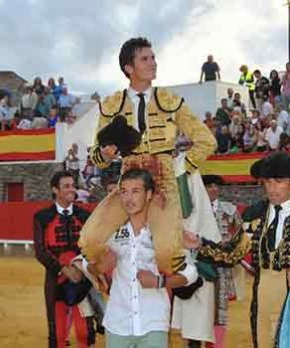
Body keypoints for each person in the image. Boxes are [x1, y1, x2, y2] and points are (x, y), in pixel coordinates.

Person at [80, 37, 217, 274]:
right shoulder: (112, 104)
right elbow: (96, 157)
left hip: (163, 182)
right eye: (145, 59)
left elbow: (207, 141)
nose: (153, 63)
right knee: (90, 242)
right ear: (129, 68)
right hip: (128, 181)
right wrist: (104, 153)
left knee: (167, 257)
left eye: (153, 57)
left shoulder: (170, 100)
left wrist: (181, 168)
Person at [196, 152, 290, 348]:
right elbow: (231, 254)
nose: (272, 188)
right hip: (262, 306)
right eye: (267, 182)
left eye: (278, 181)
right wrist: (198, 245)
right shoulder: (255, 216)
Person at [81, 168, 199, 348]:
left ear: (149, 194)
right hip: (117, 322)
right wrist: (98, 268)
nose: (128, 198)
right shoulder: (111, 230)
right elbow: (84, 261)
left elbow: (191, 273)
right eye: (124, 192)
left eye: (135, 191)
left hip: (154, 321)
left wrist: (158, 282)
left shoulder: (164, 231)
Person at [184, 175, 246, 348]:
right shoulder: (192, 211)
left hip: (220, 268)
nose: (213, 189)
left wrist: (230, 250)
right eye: (208, 185)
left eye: (215, 186)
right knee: (195, 307)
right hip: (196, 266)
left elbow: (240, 236)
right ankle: (193, 344)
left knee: (219, 310)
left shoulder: (229, 210)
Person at [33, 171, 93, 348]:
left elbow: (91, 247)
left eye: (73, 186)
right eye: (66, 186)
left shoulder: (84, 216)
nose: (72, 190)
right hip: (56, 279)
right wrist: (64, 269)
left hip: (81, 279)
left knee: (84, 332)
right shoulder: (42, 217)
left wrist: (80, 268)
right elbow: (40, 251)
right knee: (58, 334)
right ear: (55, 190)